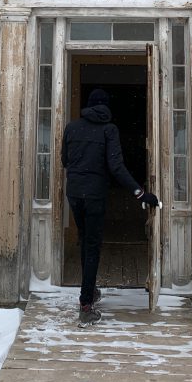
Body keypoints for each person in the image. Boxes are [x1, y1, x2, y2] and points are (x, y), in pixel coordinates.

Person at [61, 87, 159, 327]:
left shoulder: (72, 128)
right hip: (94, 195)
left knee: (85, 241)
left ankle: (90, 291)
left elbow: (65, 160)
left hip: (74, 193)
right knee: (92, 246)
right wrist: (140, 193)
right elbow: (116, 167)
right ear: (106, 107)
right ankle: (86, 305)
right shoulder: (109, 129)